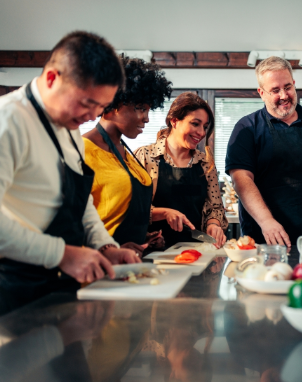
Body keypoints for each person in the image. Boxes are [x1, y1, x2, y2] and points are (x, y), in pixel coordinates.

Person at [0, 31, 140, 315]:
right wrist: (61, 254)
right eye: (86, 103)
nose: (91, 116)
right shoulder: (10, 121)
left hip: (63, 286)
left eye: (101, 107)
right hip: (16, 290)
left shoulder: (71, 126)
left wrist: (104, 247)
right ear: (52, 78)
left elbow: (79, 201)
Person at [225, 56, 302, 247]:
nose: (284, 95)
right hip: (266, 234)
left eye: (287, 87)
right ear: (261, 93)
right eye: (275, 90)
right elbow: (241, 179)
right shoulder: (247, 128)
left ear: (294, 85)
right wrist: (266, 222)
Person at [83, 57, 172, 255]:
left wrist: (142, 239)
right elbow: (71, 222)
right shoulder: (82, 151)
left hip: (129, 266)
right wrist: (110, 249)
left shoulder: (127, 153)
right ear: (113, 103)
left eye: (148, 109)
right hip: (97, 270)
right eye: (141, 108)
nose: (147, 118)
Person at [135, 92, 227, 248]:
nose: (202, 133)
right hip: (155, 250)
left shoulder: (206, 163)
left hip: (198, 249)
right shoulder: (145, 157)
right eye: (195, 124)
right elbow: (134, 208)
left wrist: (213, 224)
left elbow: (215, 207)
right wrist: (165, 213)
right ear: (174, 121)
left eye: (205, 127)